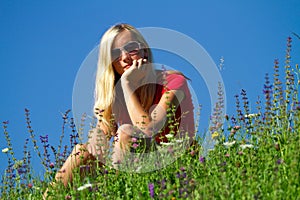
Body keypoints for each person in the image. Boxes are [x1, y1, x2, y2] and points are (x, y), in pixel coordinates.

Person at [48, 23, 195, 191]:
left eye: (131, 48)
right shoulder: (114, 96)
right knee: (81, 152)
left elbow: (148, 129)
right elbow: (100, 141)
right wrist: (96, 138)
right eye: (115, 53)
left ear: (144, 51)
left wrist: (127, 85)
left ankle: (117, 192)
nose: (124, 57)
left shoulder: (173, 83)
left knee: (127, 133)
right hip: (132, 166)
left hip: (175, 165)